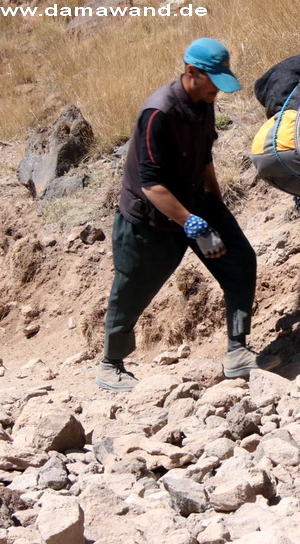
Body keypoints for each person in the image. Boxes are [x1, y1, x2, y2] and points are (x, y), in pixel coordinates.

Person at [96, 37, 280, 392]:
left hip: (196, 201)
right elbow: (151, 184)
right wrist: (192, 224)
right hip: (149, 220)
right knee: (132, 289)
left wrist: (217, 206)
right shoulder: (158, 113)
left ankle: (238, 350)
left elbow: (205, 158)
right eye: (213, 81)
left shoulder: (204, 103)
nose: (218, 90)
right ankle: (110, 365)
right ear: (192, 72)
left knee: (240, 260)